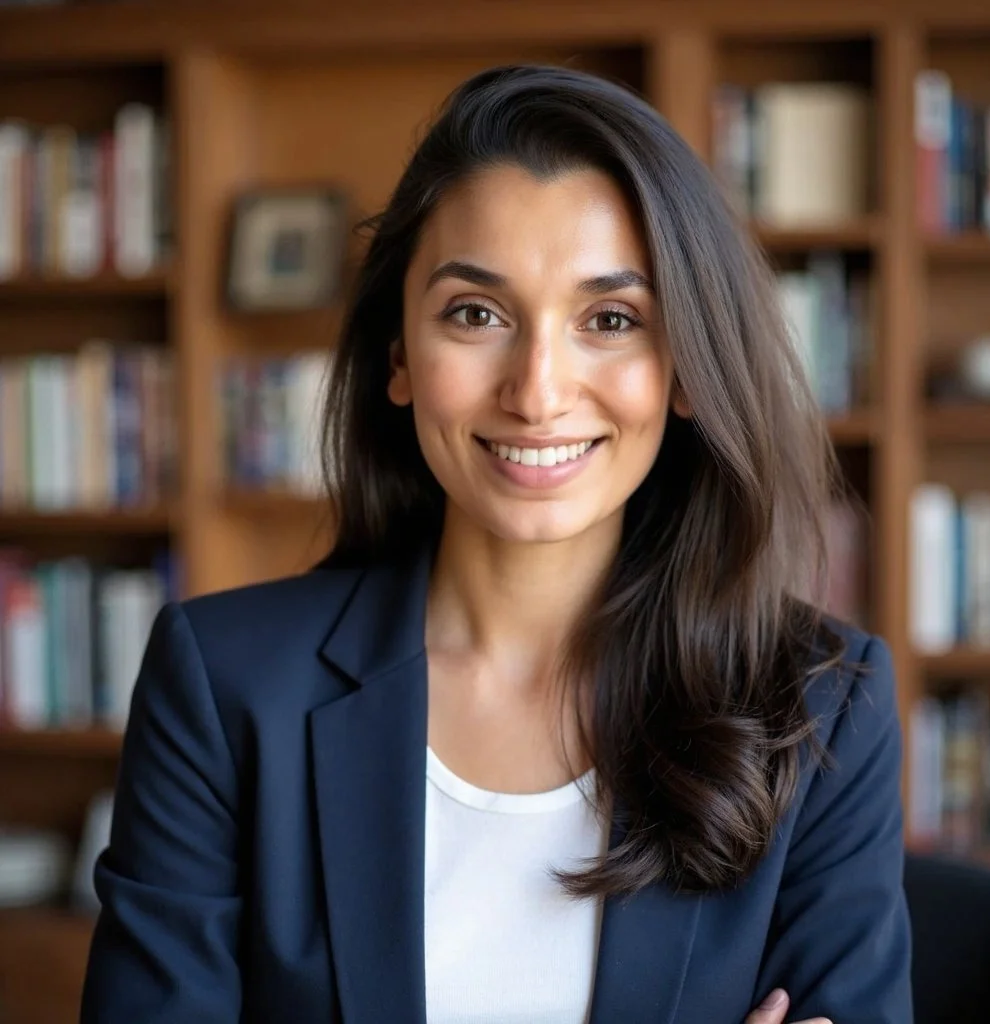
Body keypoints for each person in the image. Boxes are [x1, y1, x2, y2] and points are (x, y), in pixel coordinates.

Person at [80, 64, 911, 1024]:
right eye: (476, 314)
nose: (538, 389)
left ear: (685, 367)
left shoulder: (821, 706)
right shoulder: (224, 687)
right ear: (400, 357)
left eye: (610, 320)